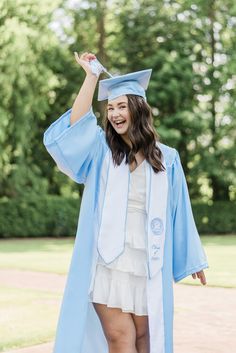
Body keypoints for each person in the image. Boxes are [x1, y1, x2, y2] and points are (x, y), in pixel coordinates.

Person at [43, 52, 208, 353]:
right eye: (110, 108)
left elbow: (179, 212)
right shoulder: (101, 152)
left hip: (146, 261)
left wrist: (192, 257)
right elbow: (74, 127)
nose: (115, 114)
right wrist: (91, 77)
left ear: (138, 110)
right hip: (106, 262)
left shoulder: (167, 159)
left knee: (146, 340)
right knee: (120, 339)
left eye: (122, 106)